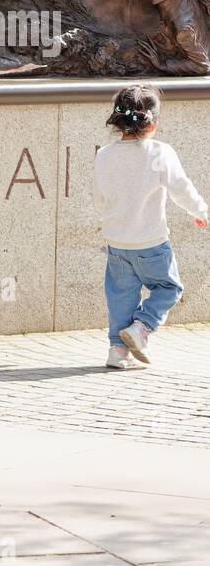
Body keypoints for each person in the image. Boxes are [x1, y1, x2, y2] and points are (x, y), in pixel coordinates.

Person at [94, 84, 207, 367]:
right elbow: (181, 188)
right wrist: (200, 210)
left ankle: (117, 352)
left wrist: (108, 218)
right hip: (152, 242)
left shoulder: (104, 155)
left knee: (121, 296)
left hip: (117, 242)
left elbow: (100, 197)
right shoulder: (160, 152)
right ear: (153, 122)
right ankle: (142, 327)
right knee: (169, 288)